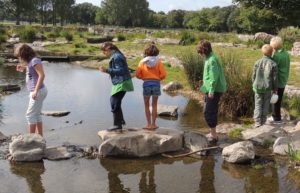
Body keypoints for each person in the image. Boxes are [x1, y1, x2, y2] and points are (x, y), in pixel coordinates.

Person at [196, 40, 227, 143]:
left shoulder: (212, 60)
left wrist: (211, 91)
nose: (200, 54)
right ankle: (213, 133)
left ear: (205, 50)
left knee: (209, 111)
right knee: (208, 110)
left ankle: (214, 136)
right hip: (210, 89)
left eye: (200, 52)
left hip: (214, 90)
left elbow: (214, 77)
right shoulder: (209, 58)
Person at [99, 42, 133, 131]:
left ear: (109, 49)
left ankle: (117, 125)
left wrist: (107, 70)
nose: (103, 53)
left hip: (122, 82)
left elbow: (122, 70)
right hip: (120, 82)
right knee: (115, 101)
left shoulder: (117, 56)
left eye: (104, 51)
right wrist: (107, 70)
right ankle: (120, 121)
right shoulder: (116, 55)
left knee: (114, 101)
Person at [15, 44, 47, 136]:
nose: (20, 58)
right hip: (37, 91)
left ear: (24, 54)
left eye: (20, 56)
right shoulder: (31, 61)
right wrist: (23, 67)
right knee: (36, 114)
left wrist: (36, 91)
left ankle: (31, 139)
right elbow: (32, 69)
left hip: (38, 91)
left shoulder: (35, 60)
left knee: (29, 115)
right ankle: (40, 137)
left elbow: (42, 75)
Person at [136, 43, 166, 130]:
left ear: (146, 52)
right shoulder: (159, 62)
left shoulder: (142, 62)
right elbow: (163, 74)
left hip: (146, 84)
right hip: (156, 84)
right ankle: (154, 124)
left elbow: (137, 74)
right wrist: (158, 79)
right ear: (156, 52)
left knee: (146, 105)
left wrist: (144, 78)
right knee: (154, 105)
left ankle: (148, 124)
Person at [252, 44, 278, 128]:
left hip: (257, 87)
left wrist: (253, 83)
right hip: (267, 88)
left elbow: (253, 75)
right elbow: (274, 79)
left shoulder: (257, 62)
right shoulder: (273, 64)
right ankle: (263, 121)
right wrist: (275, 89)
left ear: (262, 52)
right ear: (271, 53)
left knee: (258, 104)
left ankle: (257, 122)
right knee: (266, 104)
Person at [270, 36, 290, 123]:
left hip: (277, 80)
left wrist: (272, 55)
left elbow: (272, 67)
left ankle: (276, 118)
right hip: (284, 78)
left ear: (274, 47)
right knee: (279, 98)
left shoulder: (277, 56)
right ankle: (276, 116)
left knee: (275, 99)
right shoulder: (286, 53)